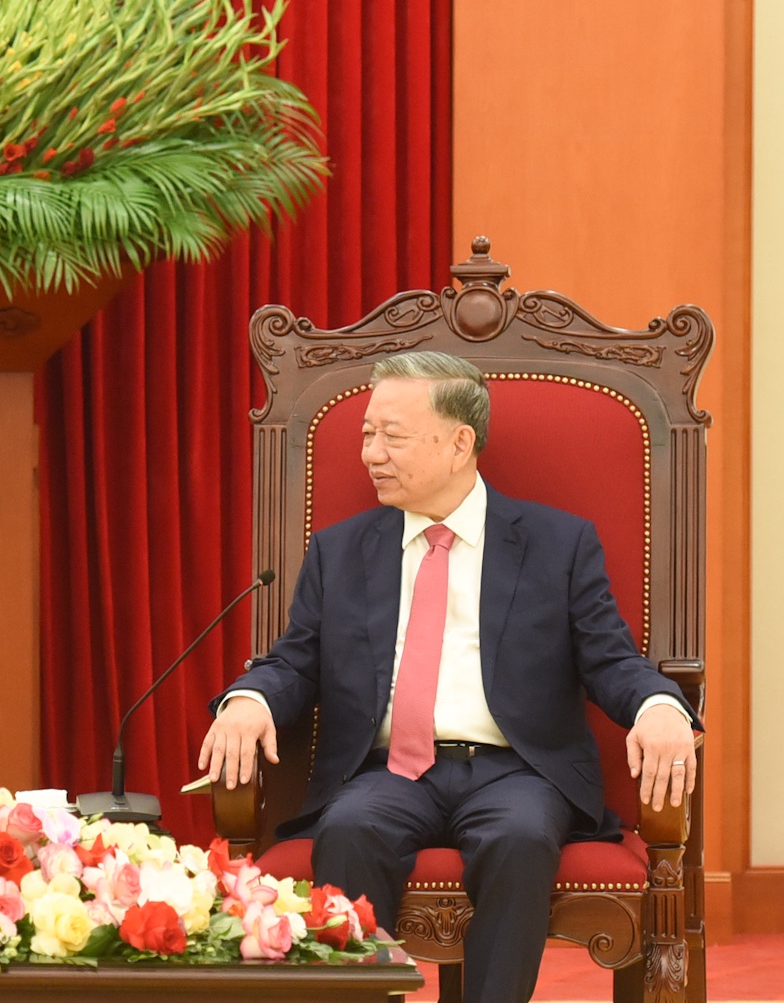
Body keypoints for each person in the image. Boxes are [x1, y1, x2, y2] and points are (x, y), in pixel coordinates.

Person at [198, 351, 698, 1003]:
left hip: (515, 771)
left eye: (392, 436)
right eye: (367, 435)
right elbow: (296, 659)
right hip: (386, 774)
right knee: (349, 830)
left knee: (519, 837)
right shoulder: (342, 550)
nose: (371, 453)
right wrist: (250, 699)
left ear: (459, 442)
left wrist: (660, 704)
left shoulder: (556, 544)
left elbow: (609, 659)